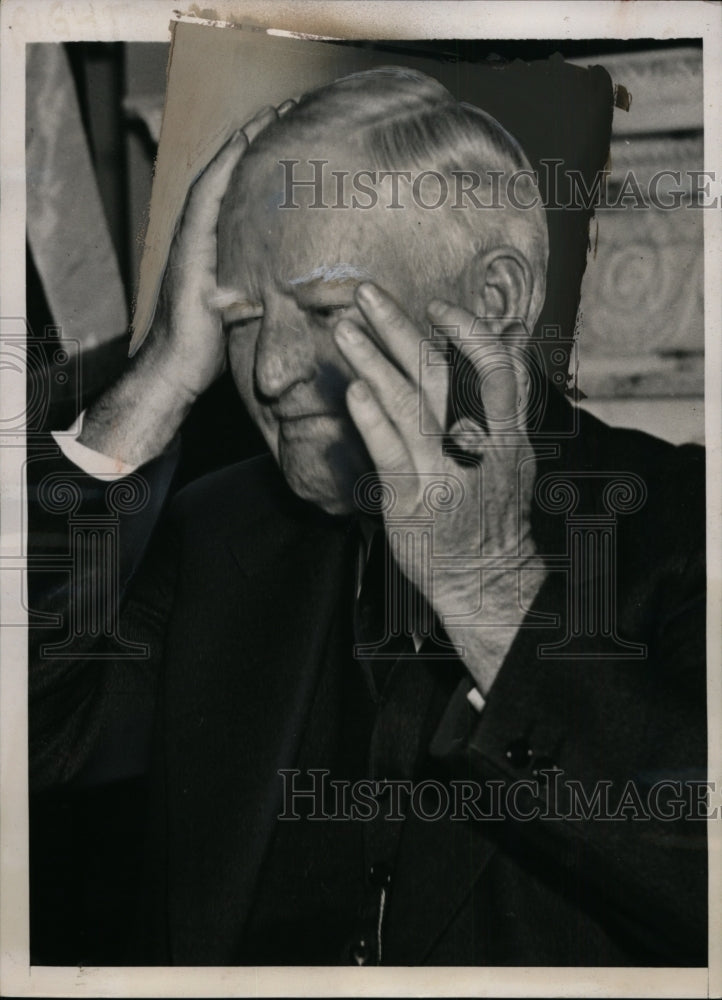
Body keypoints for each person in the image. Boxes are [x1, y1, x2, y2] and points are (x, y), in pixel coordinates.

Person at [29, 67, 706, 966]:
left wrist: (489, 594)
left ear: (493, 303)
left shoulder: (688, 528)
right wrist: (156, 380)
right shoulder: (219, 533)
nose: (268, 371)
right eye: (238, 319)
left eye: (319, 309)